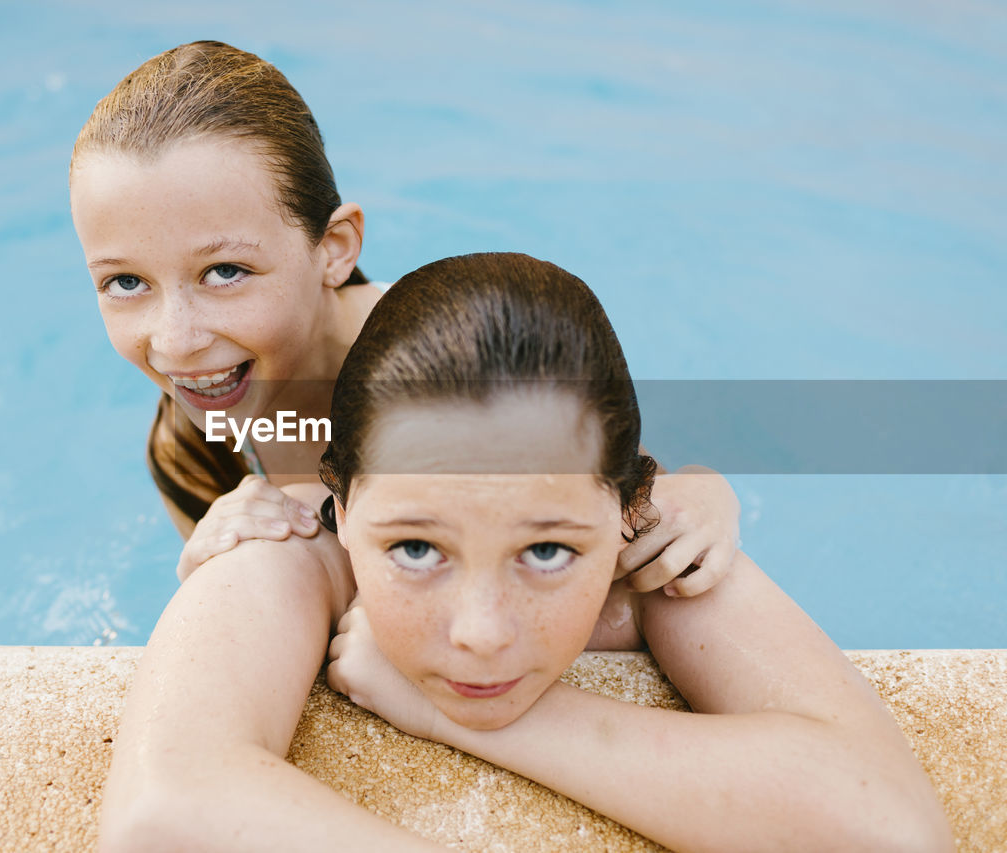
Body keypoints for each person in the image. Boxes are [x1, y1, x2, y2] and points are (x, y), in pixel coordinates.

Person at [316, 253, 952, 851]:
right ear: (341, 514)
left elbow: (890, 830)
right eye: (418, 549)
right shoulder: (295, 557)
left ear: (629, 512)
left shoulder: (652, 560)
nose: (480, 633)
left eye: (544, 552)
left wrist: (451, 716)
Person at [69, 40, 742, 593]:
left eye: (225, 272)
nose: (176, 340)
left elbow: (619, 481)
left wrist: (703, 494)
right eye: (125, 281)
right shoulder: (189, 450)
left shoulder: (460, 355)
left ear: (334, 249)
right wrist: (207, 572)